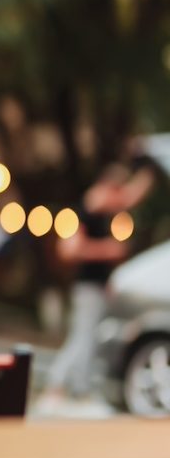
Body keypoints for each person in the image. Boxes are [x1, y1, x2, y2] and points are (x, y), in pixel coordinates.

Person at [35, 164, 139, 416]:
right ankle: (60, 388)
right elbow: (69, 249)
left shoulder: (102, 215)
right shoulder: (87, 212)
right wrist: (108, 249)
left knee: (86, 338)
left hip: (97, 288)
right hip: (87, 288)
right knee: (82, 338)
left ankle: (72, 389)